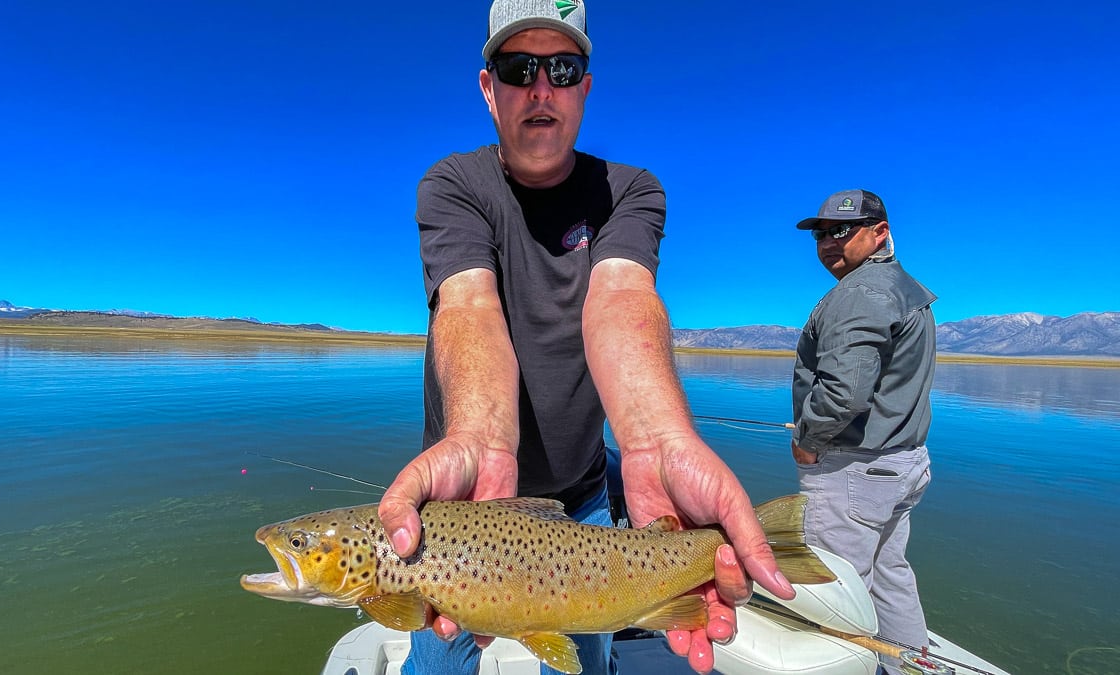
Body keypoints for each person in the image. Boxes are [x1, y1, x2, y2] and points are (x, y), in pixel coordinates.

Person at [376, 1, 797, 673]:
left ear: (586, 87)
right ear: (489, 88)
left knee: (579, 662)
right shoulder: (454, 185)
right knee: (438, 658)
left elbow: (621, 297)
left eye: (563, 68)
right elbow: (468, 304)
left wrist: (658, 438)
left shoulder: (630, 191)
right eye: (519, 68)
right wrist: (482, 441)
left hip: (583, 503)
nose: (541, 88)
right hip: (457, 512)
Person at [790, 189, 936, 674]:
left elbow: (844, 394)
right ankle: (910, 666)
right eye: (821, 234)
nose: (828, 242)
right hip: (902, 464)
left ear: (879, 232)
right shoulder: (905, 289)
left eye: (841, 231)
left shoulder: (860, 293)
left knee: (833, 594)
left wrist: (808, 442)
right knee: (890, 576)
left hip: (855, 470)